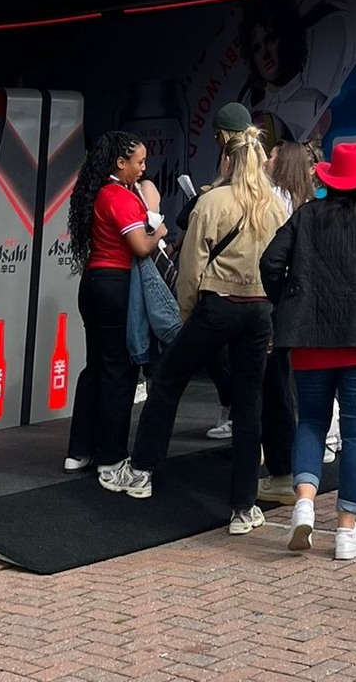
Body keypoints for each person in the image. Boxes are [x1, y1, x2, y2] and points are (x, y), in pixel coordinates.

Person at [104, 115, 285, 535]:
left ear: (226, 159)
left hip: (216, 306)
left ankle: (143, 472)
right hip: (259, 309)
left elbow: (190, 270)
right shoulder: (274, 205)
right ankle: (243, 506)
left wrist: (186, 315)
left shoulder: (211, 203)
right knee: (248, 405)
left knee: (167, 380)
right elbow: (282, 266)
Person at [260, 141, 356, 561]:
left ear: (329, 178)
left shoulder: (306, 216)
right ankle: (347, 529)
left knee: (310, 421)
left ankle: (305, 504)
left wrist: (288, 301)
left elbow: (270, 263)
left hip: (309, 337)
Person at [64, 131, 164, 477]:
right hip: (116, 286)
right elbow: (140, 245)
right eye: (139, 162)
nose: (143, 168)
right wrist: (160, 231)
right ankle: (111, 456)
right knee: (119, 371)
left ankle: (79, 451)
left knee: (95, 368)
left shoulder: (98, 193)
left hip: (92, 285)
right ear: (120, 163)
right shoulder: (117, 195)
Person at [256, 138, 318, 508]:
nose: (267, 159)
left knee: (276, 384)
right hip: (304, 303)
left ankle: (282, 465)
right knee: (301, 381)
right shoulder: (310, 204)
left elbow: (270, 259)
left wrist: (275, 294)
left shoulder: (273, 200)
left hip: (277, 301)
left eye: (274, 154)